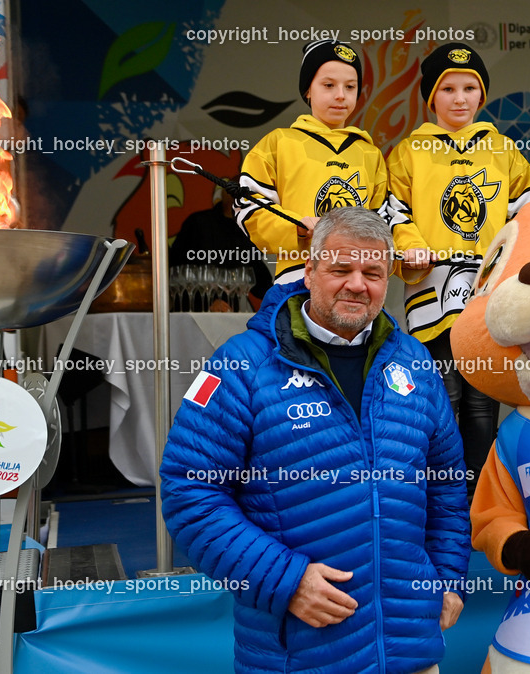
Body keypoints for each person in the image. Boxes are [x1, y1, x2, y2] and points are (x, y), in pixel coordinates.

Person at [160, 207, 471, 674]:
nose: (357, 285)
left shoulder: (415, 362)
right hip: (300, 657)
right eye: (340, 269)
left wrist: (447, 577)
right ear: (309, 270)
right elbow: (190, 491)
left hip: (411, 652)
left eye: (372, 273)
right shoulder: (243, 365)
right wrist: (284, 580)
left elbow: (446, 483)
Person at [382, 42, 530, 495]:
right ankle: (441, 499)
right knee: (443, 393)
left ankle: (479, 500)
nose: (460, 98)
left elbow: (528, 215)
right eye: (447, 89)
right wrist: (412, 247)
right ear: (431, 96)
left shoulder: (504, 150)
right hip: (432, 290)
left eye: (470, 88)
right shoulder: (408, 152)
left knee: (482, 400)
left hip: (488, 291)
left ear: (482, 94)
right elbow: (394, 213)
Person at [235, 39, 387, 285]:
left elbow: (383, 222)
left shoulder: (370, 154)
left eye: (350, 86)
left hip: (356, 284)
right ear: (308, 90)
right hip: (295, 281)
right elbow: (248, 207)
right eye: (328, 85)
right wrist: (295, 227)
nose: (340, 95)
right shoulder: (279, 143)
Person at [170, 181, 273, 309]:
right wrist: (208, 303)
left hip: (229, 312)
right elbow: (176, 273)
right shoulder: (198, 223)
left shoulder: (247, 231)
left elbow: (258, 280)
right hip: (191, 310)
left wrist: (281, 299)